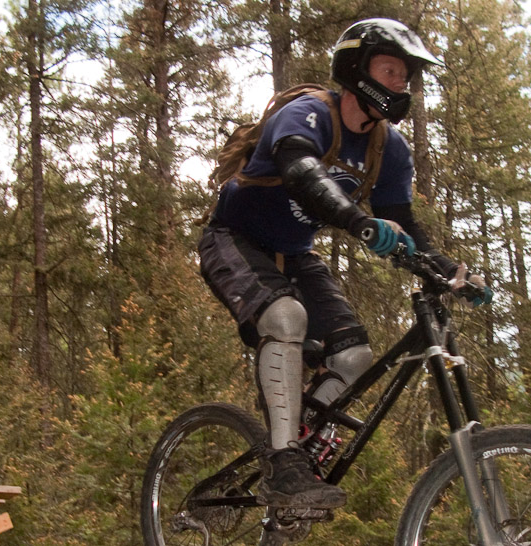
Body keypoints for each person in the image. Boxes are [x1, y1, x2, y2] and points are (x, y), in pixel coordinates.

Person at [198, 18, 491, 512]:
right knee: (285, 317)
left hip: (295, 254)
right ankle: (284, 462)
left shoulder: (389, 149)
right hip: (233, 238)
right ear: (357, 69)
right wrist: (359, 222)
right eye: (390, 70)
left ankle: (300, 433)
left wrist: (450, 272)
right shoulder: (307, 114)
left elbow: (404, 224)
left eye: (406, 76)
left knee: (353, 356)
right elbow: (302, 173)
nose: (401, 83)